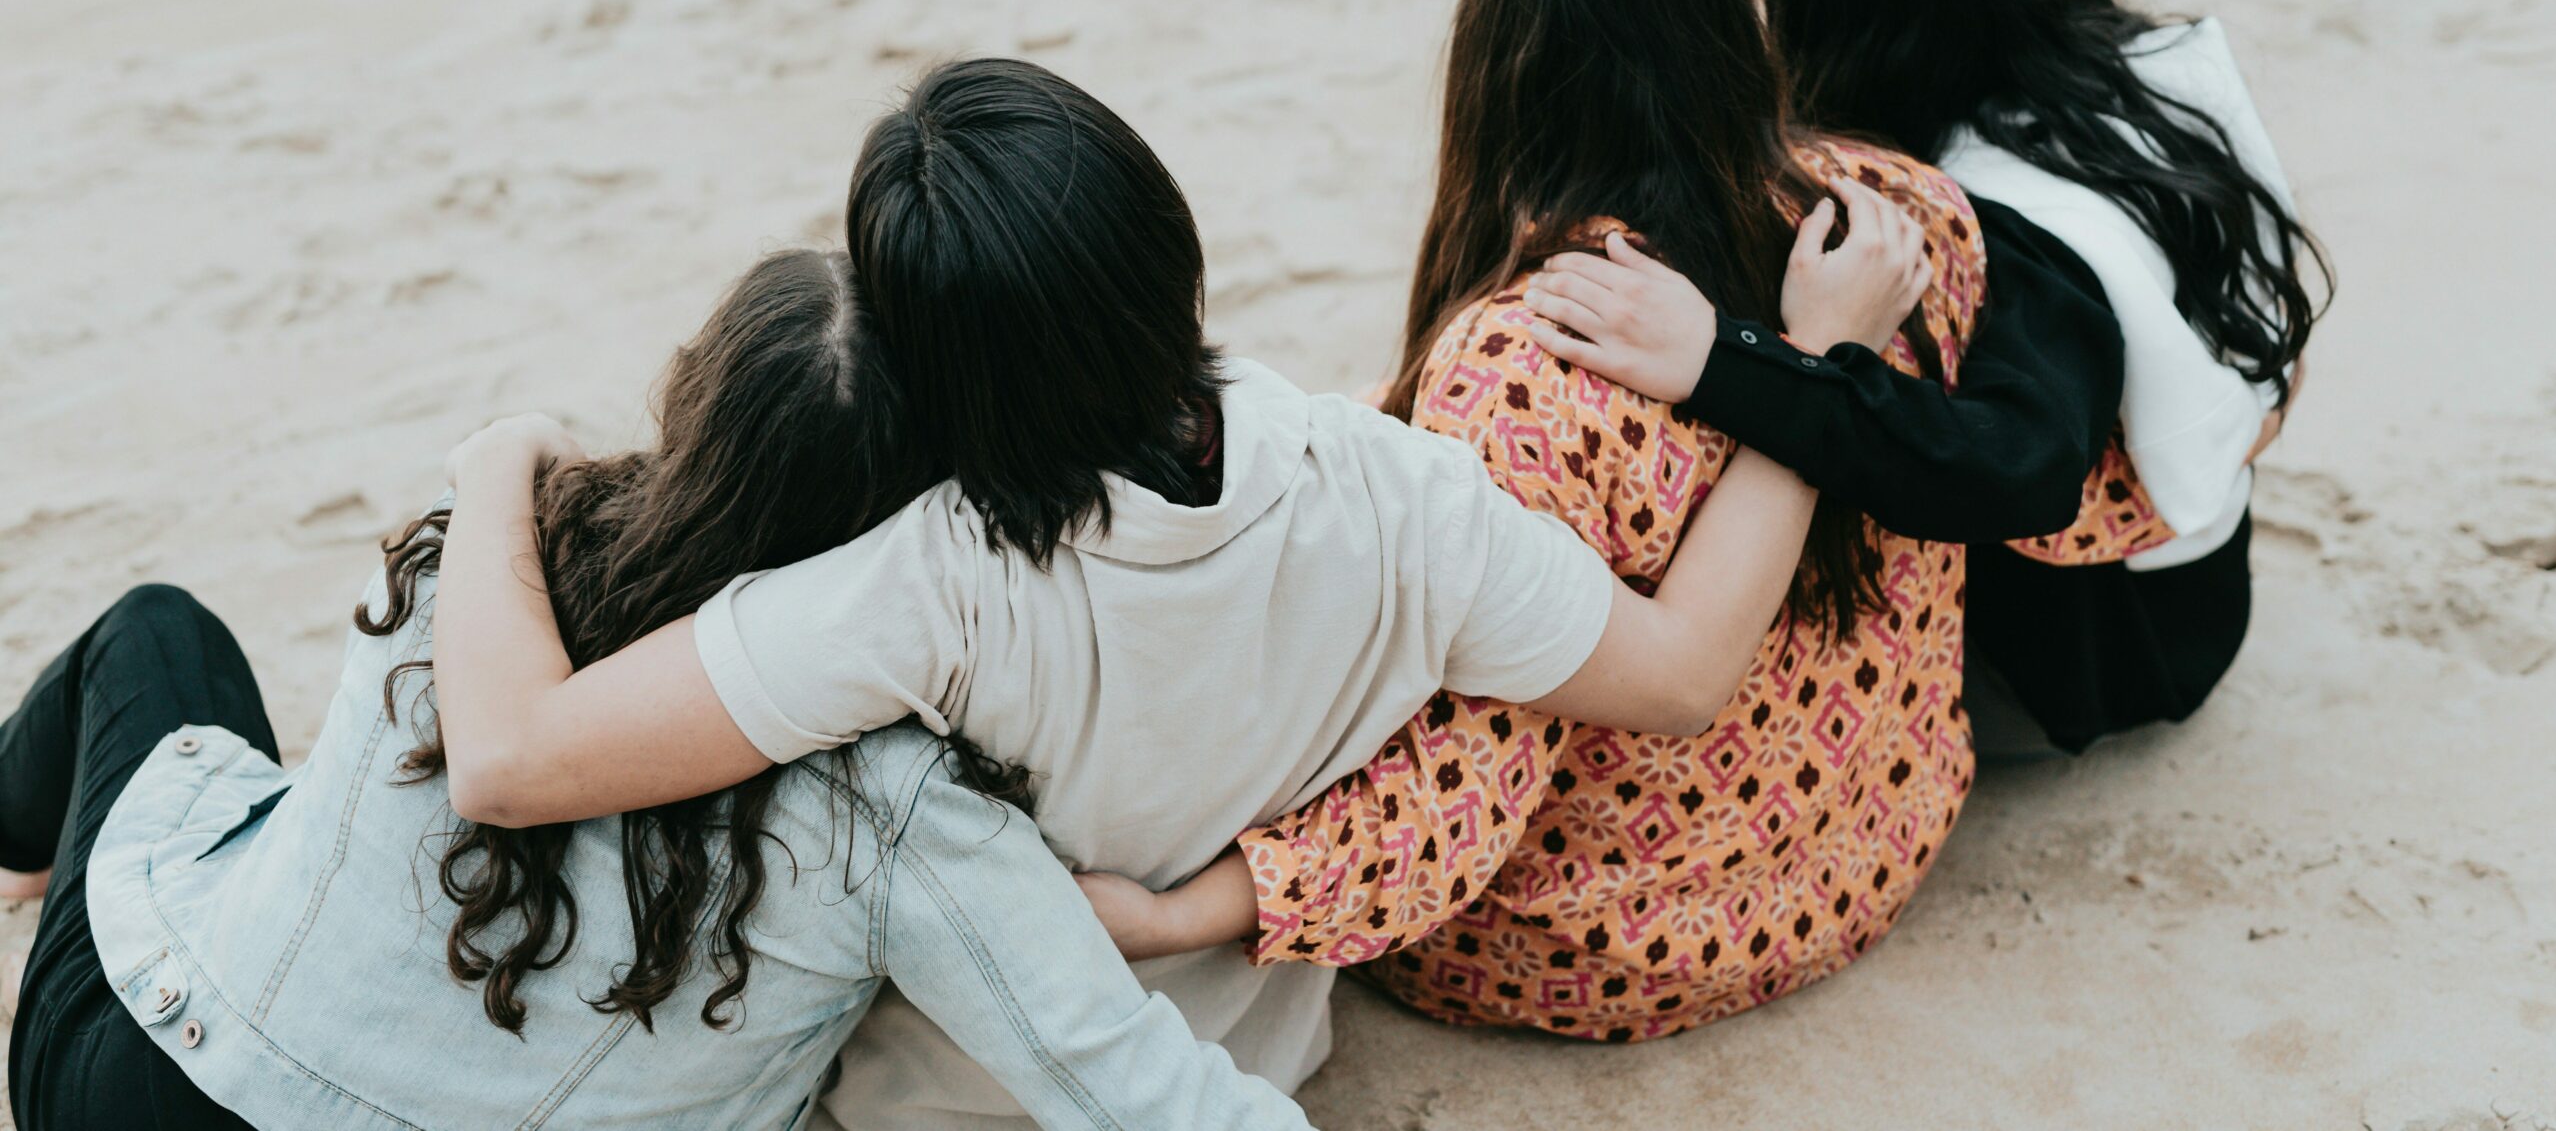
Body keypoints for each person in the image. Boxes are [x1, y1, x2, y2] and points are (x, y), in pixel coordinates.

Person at [415, 56, 1926, 1125]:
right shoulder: (1395, 494)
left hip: (940, 1103)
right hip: (1245, 1069)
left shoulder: (926, 585)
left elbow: (509, 759)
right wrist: (1817, 369)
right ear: (1169, 249)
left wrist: (497, 464)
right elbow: (1681, 669)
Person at [0, 250, 1316, 1130]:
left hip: (123, 1085)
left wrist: (502, 459)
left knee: (157, 633)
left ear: (697, 399)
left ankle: (18, 847)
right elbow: (1141, 1087)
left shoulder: (476, 555)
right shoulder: (905, 805)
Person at [1077, 0, 2019, 1043]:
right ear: (1732, 21)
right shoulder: (1887, 221)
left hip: (1616, 938)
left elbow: (1467, 774)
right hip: (1878, 827)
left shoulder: (1526, 382)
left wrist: (1186, 912)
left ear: (1494, 60)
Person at [1745, 0, 2330, 750]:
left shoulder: (2000, 227)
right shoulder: (2149, 63)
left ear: (1842, 29)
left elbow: (2018, 467)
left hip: (2116, 649)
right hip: (2208, 565)